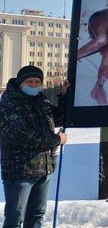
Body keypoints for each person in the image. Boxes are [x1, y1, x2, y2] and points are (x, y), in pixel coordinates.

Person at [0, 65, 69, 228]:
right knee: (15, 218)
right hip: (20, 171)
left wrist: (65, 96)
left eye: (37, 81)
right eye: (29, 81)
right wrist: (55, 140)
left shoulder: (41, 100)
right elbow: (19, 135)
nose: (33, 85)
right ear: (20, 83)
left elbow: (59, 117)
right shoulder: (9, 103)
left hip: (43, 169)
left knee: (37, 216)